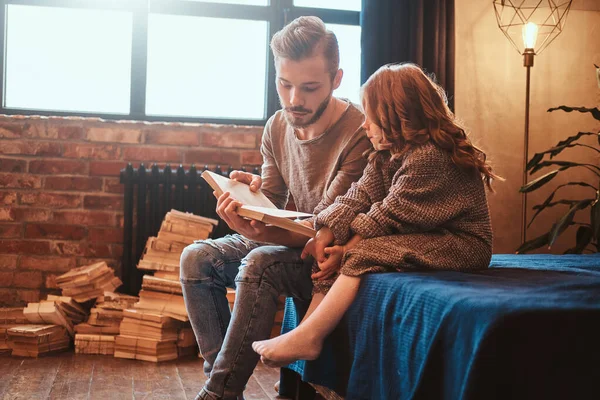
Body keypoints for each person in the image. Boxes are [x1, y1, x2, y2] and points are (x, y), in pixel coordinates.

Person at [252, 63, 500, 367]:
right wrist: (326, 231)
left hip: (462, 243)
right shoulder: (386, 154)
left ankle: (311, 335)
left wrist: (344, 251)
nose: (364, 125)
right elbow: (360, 195)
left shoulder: (429, 158)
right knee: (343, 247)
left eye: (370, 117)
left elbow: (385, 216)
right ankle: (305, 332)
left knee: (365, 253)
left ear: (396, 116)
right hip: (425, 234)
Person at [180, 16, 372, 400]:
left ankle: (217, 393)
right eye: (284, 84)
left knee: (260, 261)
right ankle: (224, 382)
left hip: (328, 253)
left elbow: (324, 226)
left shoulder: (359, 132)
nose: (294, 100)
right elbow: (274, 201)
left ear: (336, 80)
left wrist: (261, 230)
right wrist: (251, 196)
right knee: (196, 259)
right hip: (288, 236)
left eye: (310, 87)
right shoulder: (277, 126)